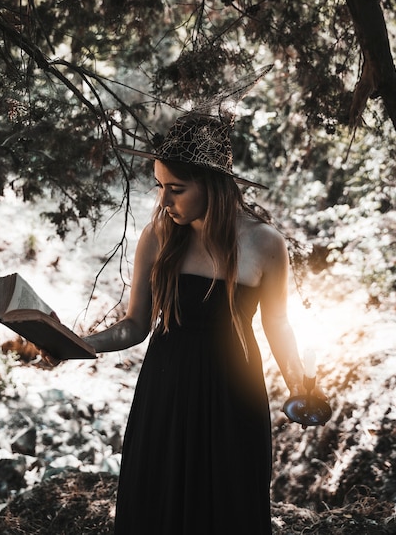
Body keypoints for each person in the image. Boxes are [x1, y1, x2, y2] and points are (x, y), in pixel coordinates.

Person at [84, 113, 321, 534]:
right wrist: (80, 344)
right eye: (160, 187)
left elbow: (278, 324)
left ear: (212, 185)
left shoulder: (266, 243)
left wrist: (297, 384)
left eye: (176, 189)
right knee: (159, 500)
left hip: (235, 396)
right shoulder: (157, 236)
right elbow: (135, 325)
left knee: (228, 504)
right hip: (166, 390)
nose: (164, 200)